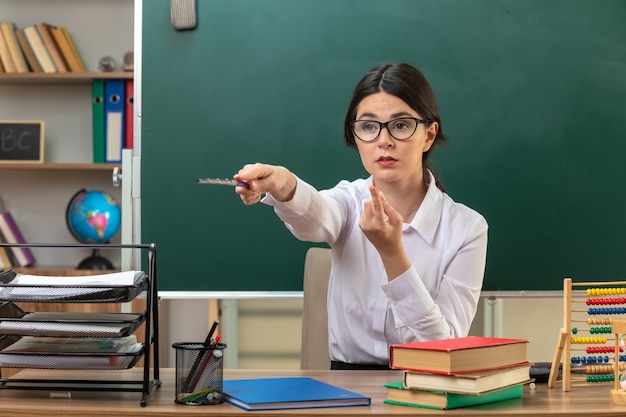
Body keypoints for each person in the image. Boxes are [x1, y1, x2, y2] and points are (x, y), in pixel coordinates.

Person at [234, 62, 488, 370]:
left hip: (425, 386)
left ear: (429, 135)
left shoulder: (467, 228)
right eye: (368, 126)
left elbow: (443, 348)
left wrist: (392, 253)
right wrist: (282, 182)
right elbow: (315, 214)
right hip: (345, 387)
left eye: (401, 125)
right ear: (355, 137)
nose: (384, 141)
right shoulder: (348, 201)